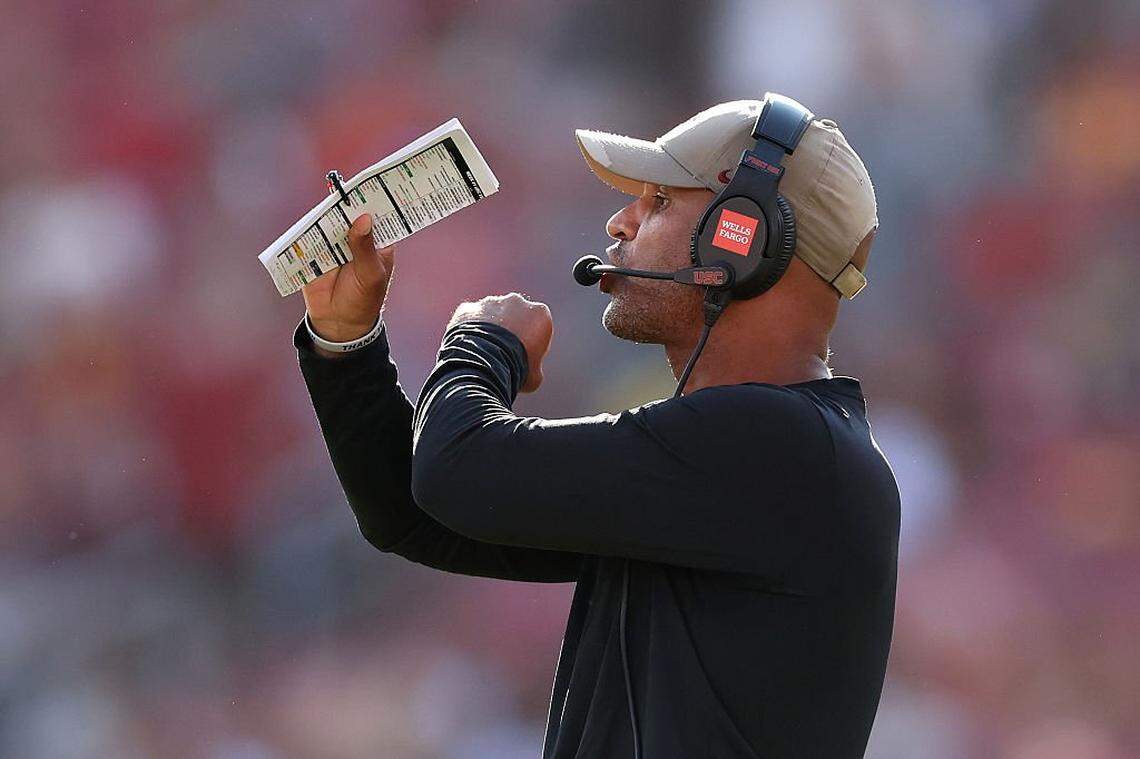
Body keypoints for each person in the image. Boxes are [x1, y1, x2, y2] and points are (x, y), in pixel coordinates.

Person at [294, 95, 900, 758]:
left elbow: (457, 470)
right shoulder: (752, 455)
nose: (621, 221)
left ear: (744, 234)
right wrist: (346, 341)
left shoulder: (783, 447)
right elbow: (412, 509)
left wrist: (482, 342)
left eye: (660, 202)